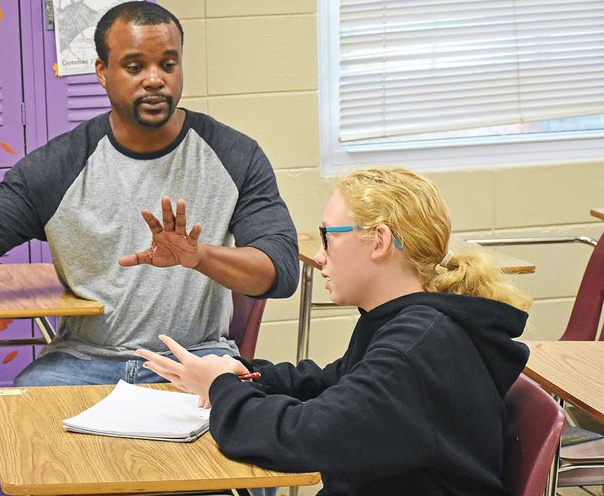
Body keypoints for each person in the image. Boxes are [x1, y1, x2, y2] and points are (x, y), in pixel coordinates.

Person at [0, 1, 299, 386]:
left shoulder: (235, 155)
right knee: (24, 420)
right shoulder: (58, 166)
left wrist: (199, 256)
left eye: (168, 64)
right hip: (83, 360)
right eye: (135, 67)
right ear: (102, 72)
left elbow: (280, 270)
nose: (154, 79)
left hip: (195, 356)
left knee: (235, 430)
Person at [137, 167, 532, 496]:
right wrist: (246, 375)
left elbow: (308, 437)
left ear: (378, 241)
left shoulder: (416, 347)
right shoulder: (404, 325)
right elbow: (333, 384)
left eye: (329, 236)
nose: (321, 255)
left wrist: (223, 389)